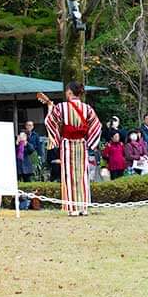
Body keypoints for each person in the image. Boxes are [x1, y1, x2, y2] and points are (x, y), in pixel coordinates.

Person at [44, 81, 102, 216]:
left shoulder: (61, 107)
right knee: (82, 175)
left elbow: (50, 122)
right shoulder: (87, 108)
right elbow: (97, 125)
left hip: (67, 143)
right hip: (82, 143)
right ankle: (83, 207)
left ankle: (72, 208)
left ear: (70, 92)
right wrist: (91, 142)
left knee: (69, 175)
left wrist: (50, 108)